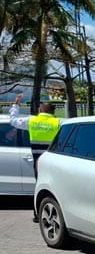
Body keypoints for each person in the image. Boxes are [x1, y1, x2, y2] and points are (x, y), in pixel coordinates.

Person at [9, 93, 61, 222]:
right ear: (52, 112)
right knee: (56, 187)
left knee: (40, 185)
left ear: (40, 110)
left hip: (38, 160)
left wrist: (16, 104)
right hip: (54, 160)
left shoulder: (31, 121)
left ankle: (38, 214)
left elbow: (13, 120)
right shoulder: (58, 122)